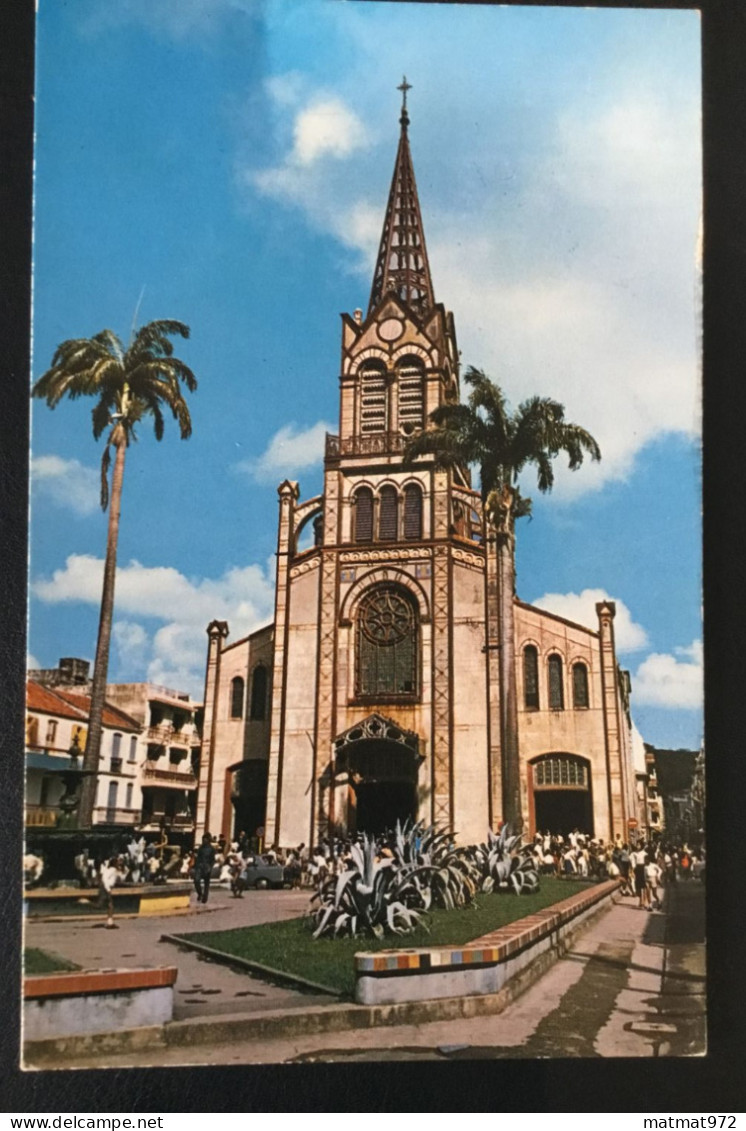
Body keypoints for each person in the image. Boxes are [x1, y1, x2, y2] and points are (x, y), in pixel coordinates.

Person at [193, 833, 216, 905]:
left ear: (208, 840)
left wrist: (210, 867)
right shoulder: (201, 848)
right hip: (199, 867)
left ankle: (205, 897)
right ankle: (200, 893)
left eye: (205, 839)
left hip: (207, 867)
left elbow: (213, 860)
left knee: (206, 884)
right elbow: (198, 857)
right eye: (203, 839)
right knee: (196, 880)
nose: (204, 840)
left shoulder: (212, 849)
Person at [99, 856, 122, 927]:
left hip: (107, 888)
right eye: (118, 862)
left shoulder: (114, 870)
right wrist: (108, 889)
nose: (119, 863)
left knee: (109, 905)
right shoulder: (112, 869)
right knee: (108, 905)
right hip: (106, 888)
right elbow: (104, 878)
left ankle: (110, 922)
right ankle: (110, 922)